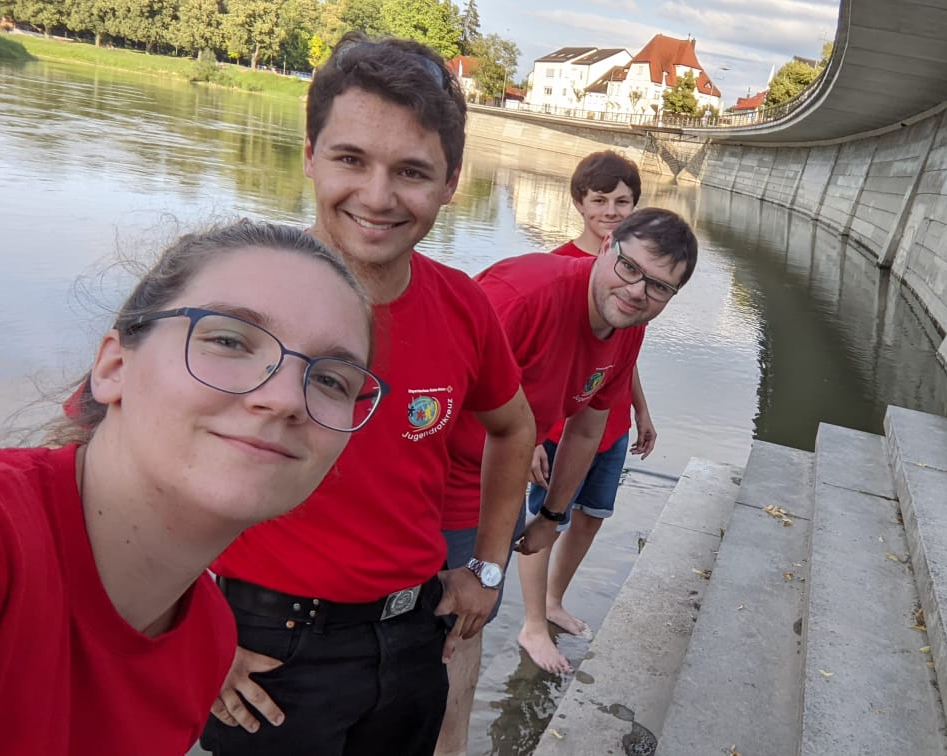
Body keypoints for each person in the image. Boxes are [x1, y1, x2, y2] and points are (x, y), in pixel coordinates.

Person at [200, 33, 536, 756]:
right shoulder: (230, 296)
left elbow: (515, 429)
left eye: (412, 171)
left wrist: (486, 566)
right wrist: (188, 624)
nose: (377, 198)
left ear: (451, 183)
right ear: (310, 153)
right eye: (351, 159)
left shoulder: (464, 308)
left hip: (412, 637)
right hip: (265, 649)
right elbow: (110, 468)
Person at [0, 221, 385, 755]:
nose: (285, 398)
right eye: (229, 340)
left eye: (330, 379)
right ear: (113, 367)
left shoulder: (205, 638)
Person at [444, 210, 697, 705]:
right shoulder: (522, 296)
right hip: (432, 479)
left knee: (468, 622)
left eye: (660, 288)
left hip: (498, 485)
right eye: (630, 268)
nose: (637, 291)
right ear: (605, 247)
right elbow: (422, 397)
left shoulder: (627, 326)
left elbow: (588, 425)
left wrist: (552, 515)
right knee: (413, 623)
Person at [528, 151, 658, 639]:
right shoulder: (558, 266)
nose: (611, 211)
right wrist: (530, 438)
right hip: (561, 425)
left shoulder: (637, 272)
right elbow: (529, 366)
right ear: (579, 204)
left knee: (591, 517)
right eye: (599, 199)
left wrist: (641, 410)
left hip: (611, 424)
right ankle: (532, 624)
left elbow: (625, 352)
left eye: (622, 201)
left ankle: (554, 600)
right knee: (544, 516)